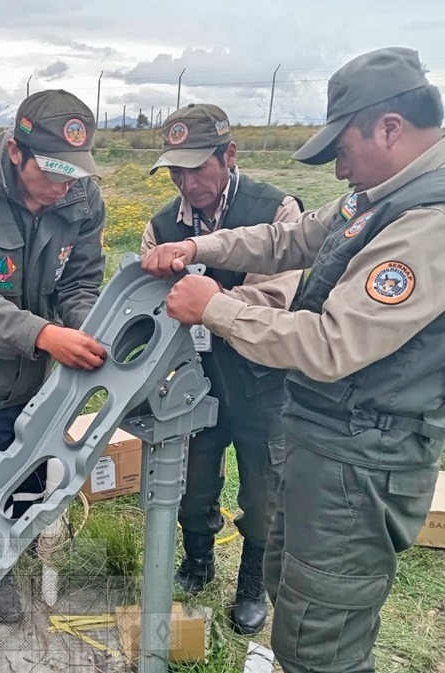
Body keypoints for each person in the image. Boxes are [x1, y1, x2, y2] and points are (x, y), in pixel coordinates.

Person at [142, 47, 445, 673]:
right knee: (296, 595)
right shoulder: (380, 196)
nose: (338, 168)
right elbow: (290, 239)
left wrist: (215, 307)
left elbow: (333, 343)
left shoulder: (428, 221)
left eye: (343, 149)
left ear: (390, 128)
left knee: (320, 642)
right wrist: (199, 246)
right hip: (326, 439)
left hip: (360, 462)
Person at [0, 89, 107, 623]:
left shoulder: (81, 198)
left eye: (73, 174)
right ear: (15, 151)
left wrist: (87, 329)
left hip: (37, 380)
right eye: (52, 173)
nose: (62, 187)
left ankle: (20, 547)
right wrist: (46, 335)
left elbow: (79, 282)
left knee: (30, 472)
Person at [141, 103, 303, 634]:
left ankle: (252, 581)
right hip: (195, 377)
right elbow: (152, 305)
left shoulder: (276, 210)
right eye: (176, 172)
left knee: (264, 486)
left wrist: (209, 303)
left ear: (229, 155)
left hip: (263, 378)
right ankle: (198, 559)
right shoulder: (161, 226)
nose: (187, 184)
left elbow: (274, 299)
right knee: (192, 478)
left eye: (197, 168)